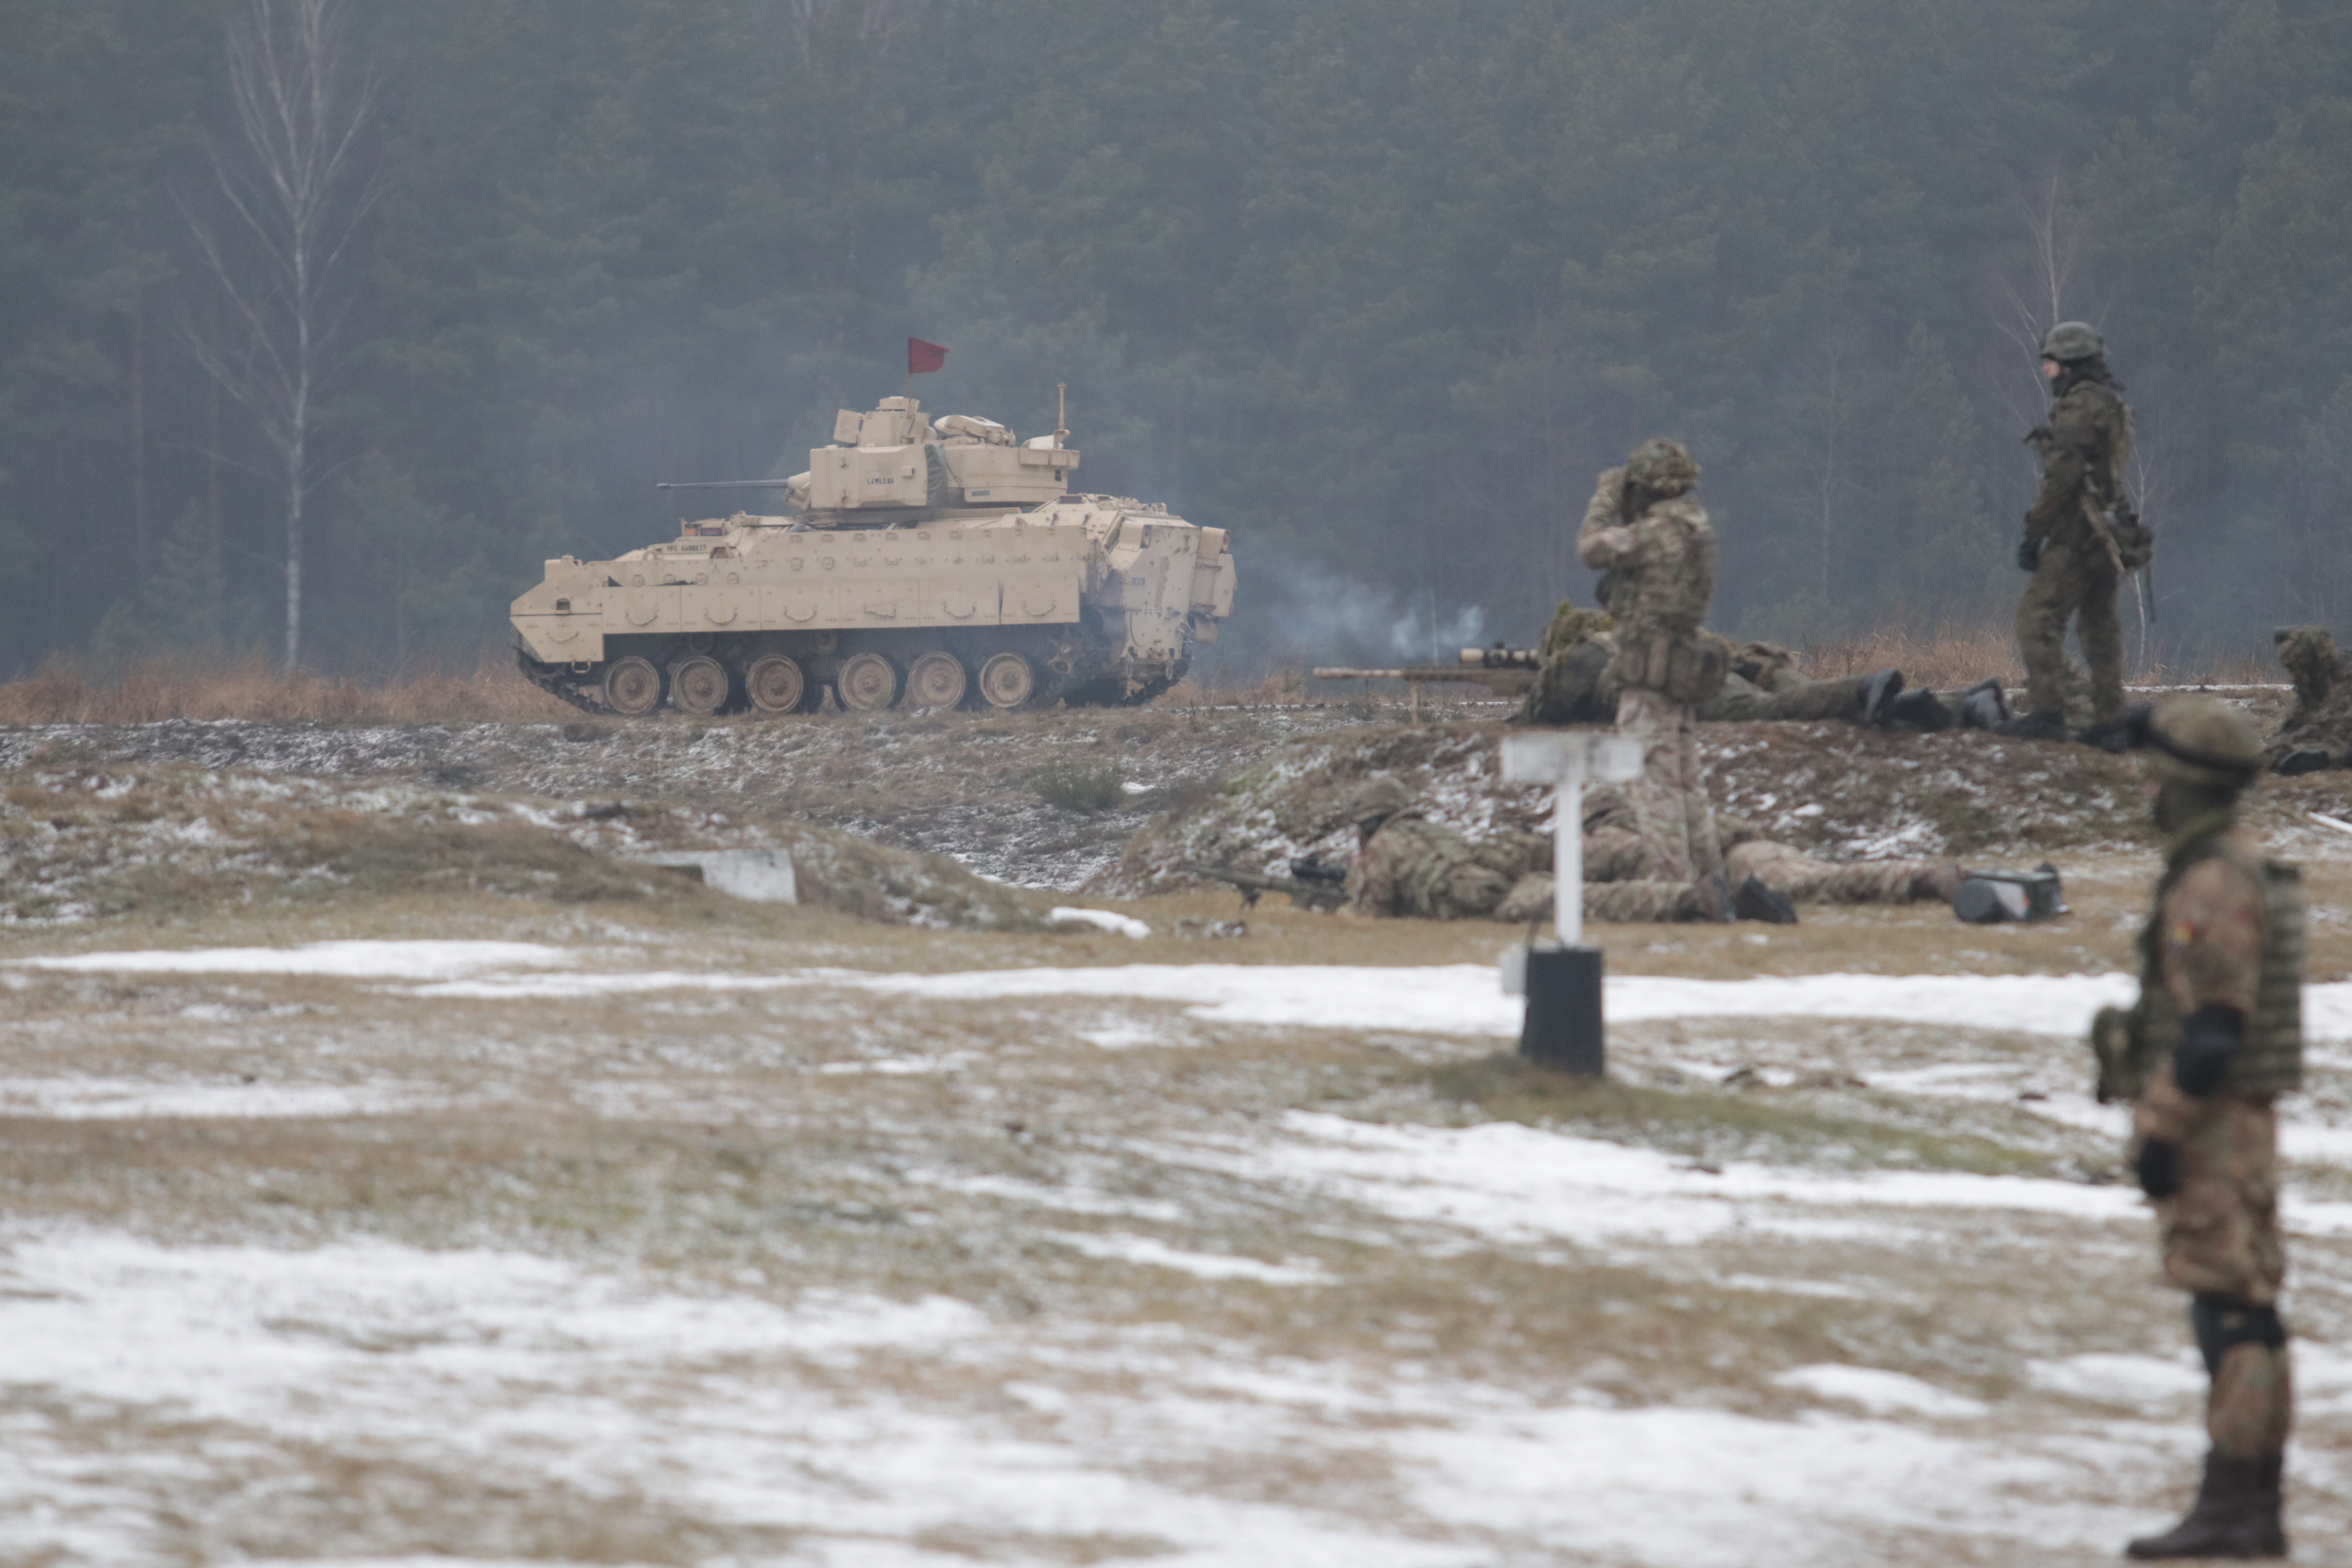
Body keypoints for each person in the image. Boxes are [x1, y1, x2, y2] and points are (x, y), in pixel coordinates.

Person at [2090, 696, 2299, 1559]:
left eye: (2156, 779)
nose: (2148, 794)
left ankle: (2236, 1504)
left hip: (2214, 1124)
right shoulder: (2233, 867)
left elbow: (2215, 1028)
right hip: (2236, 1121)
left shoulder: (2211, 882)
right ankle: (2250, 1502)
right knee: (2245, 1305)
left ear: (2184, 786)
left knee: (2231, 1310)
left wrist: (2162, 1127)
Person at [1576, 439, 1727, 887]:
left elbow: (1591, 549)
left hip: (1649, 674)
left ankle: (1672, 883)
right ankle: (1710, 881)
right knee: (1687, 785)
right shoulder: (1697, 530)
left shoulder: (1654, 534)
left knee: (1652, 782)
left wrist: (1606, 497)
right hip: (1679, 668)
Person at [2008, 321, 2147, 740]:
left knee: (2037, 618)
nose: (2047, 372)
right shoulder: (2109, 403)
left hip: (2076, 533)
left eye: (2051, 364)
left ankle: (2048, 714)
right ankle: (2109, 721)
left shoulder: (2079, 407)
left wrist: (2035, 532)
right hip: (2107, 533)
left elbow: (2062, 476)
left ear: (2070, 364)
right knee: (2099, 625)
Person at [1342, 775, 1549, 920]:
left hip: (1459, 908)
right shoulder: (1433, 831)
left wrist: (1350, 894)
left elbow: (1370, 915)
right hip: (1490, 888)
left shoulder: (1382, 844)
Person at [2266, 625, 2352, 773]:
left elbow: (2336, 730)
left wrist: (2323, 757)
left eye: (2299, 670)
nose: (2293, 679)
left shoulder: (2344, 682)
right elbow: (2296, 727)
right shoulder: (2315, 687)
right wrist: (2275, 754)